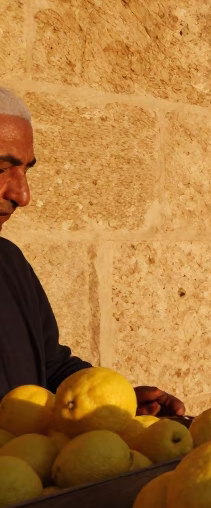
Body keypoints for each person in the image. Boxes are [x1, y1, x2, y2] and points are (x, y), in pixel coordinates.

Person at [0, 87, 184, 413]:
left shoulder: (9, 262)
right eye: (2, 169)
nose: (23, 195)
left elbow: (49, 367)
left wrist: (112, 402)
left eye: (26, 170)